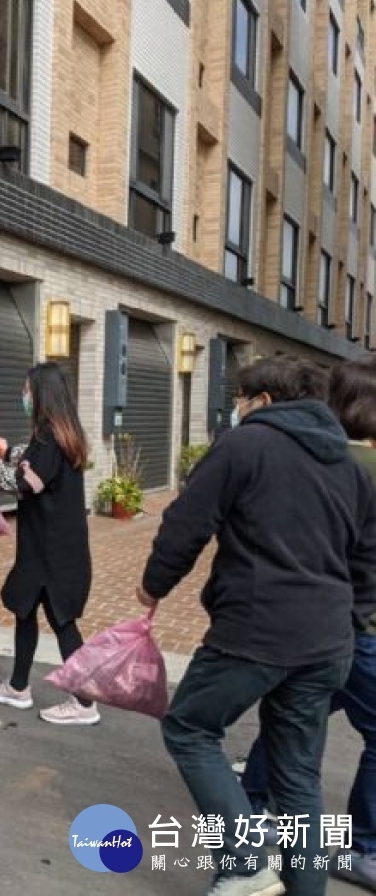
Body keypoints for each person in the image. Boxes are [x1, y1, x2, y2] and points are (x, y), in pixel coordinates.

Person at [137, 355, 376, 896]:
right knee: (298, 780)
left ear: (263, 401)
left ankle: (243, 864)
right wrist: (351, 618)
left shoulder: (244, 445)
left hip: (255, 629)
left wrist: (153, 586)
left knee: (190, 727)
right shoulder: (348, 461)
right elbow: (366, 558)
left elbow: (186, 524)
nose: (236, 409)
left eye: (240, 399)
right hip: (328, 640)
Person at [236, 355, 376, 891]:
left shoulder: (316, 455)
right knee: (296, 719)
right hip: (349, 629)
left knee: (294, 717)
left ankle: (252, 807)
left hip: (318, 623)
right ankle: (361, 846)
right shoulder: (353, 464)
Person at [0, 362, 98, 725]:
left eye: (27, 390)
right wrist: (5, 448)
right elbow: (32, 463)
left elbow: (26, 482)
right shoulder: (61, 434)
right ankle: (17, 687)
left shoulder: (50, 437)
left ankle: (85, 703)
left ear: (41, 394)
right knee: (24, 608)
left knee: (62, 622)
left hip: (51, 552)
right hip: (52, 547)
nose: (24, 396)